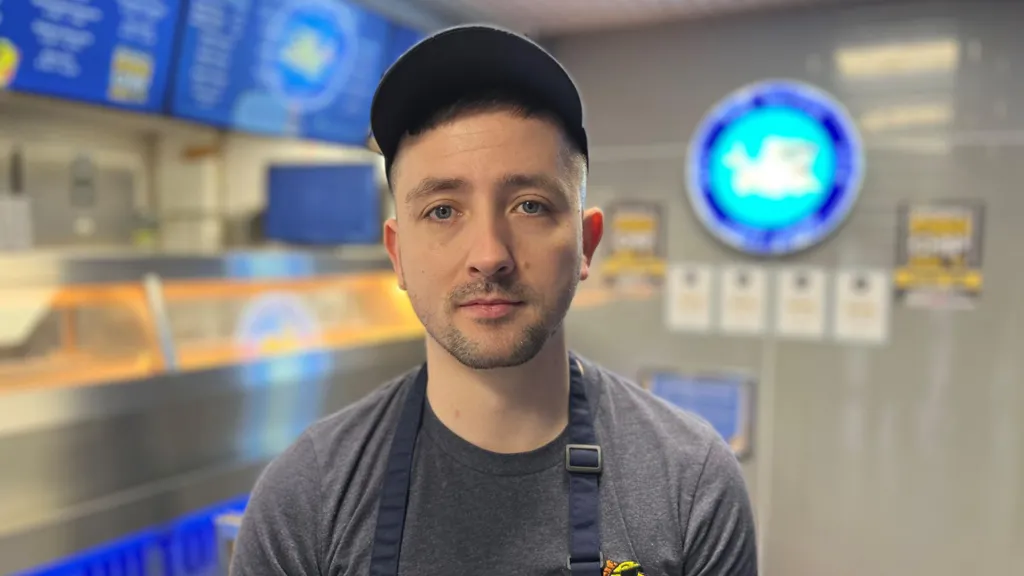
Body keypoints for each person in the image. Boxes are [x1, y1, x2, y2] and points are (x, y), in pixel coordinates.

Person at [231, 24, 758, 576]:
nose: (489, 254)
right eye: (441, 210)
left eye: (530, 206)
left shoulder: (691, 482)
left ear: (587, 243)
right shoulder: (307, 497)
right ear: (397, 254)